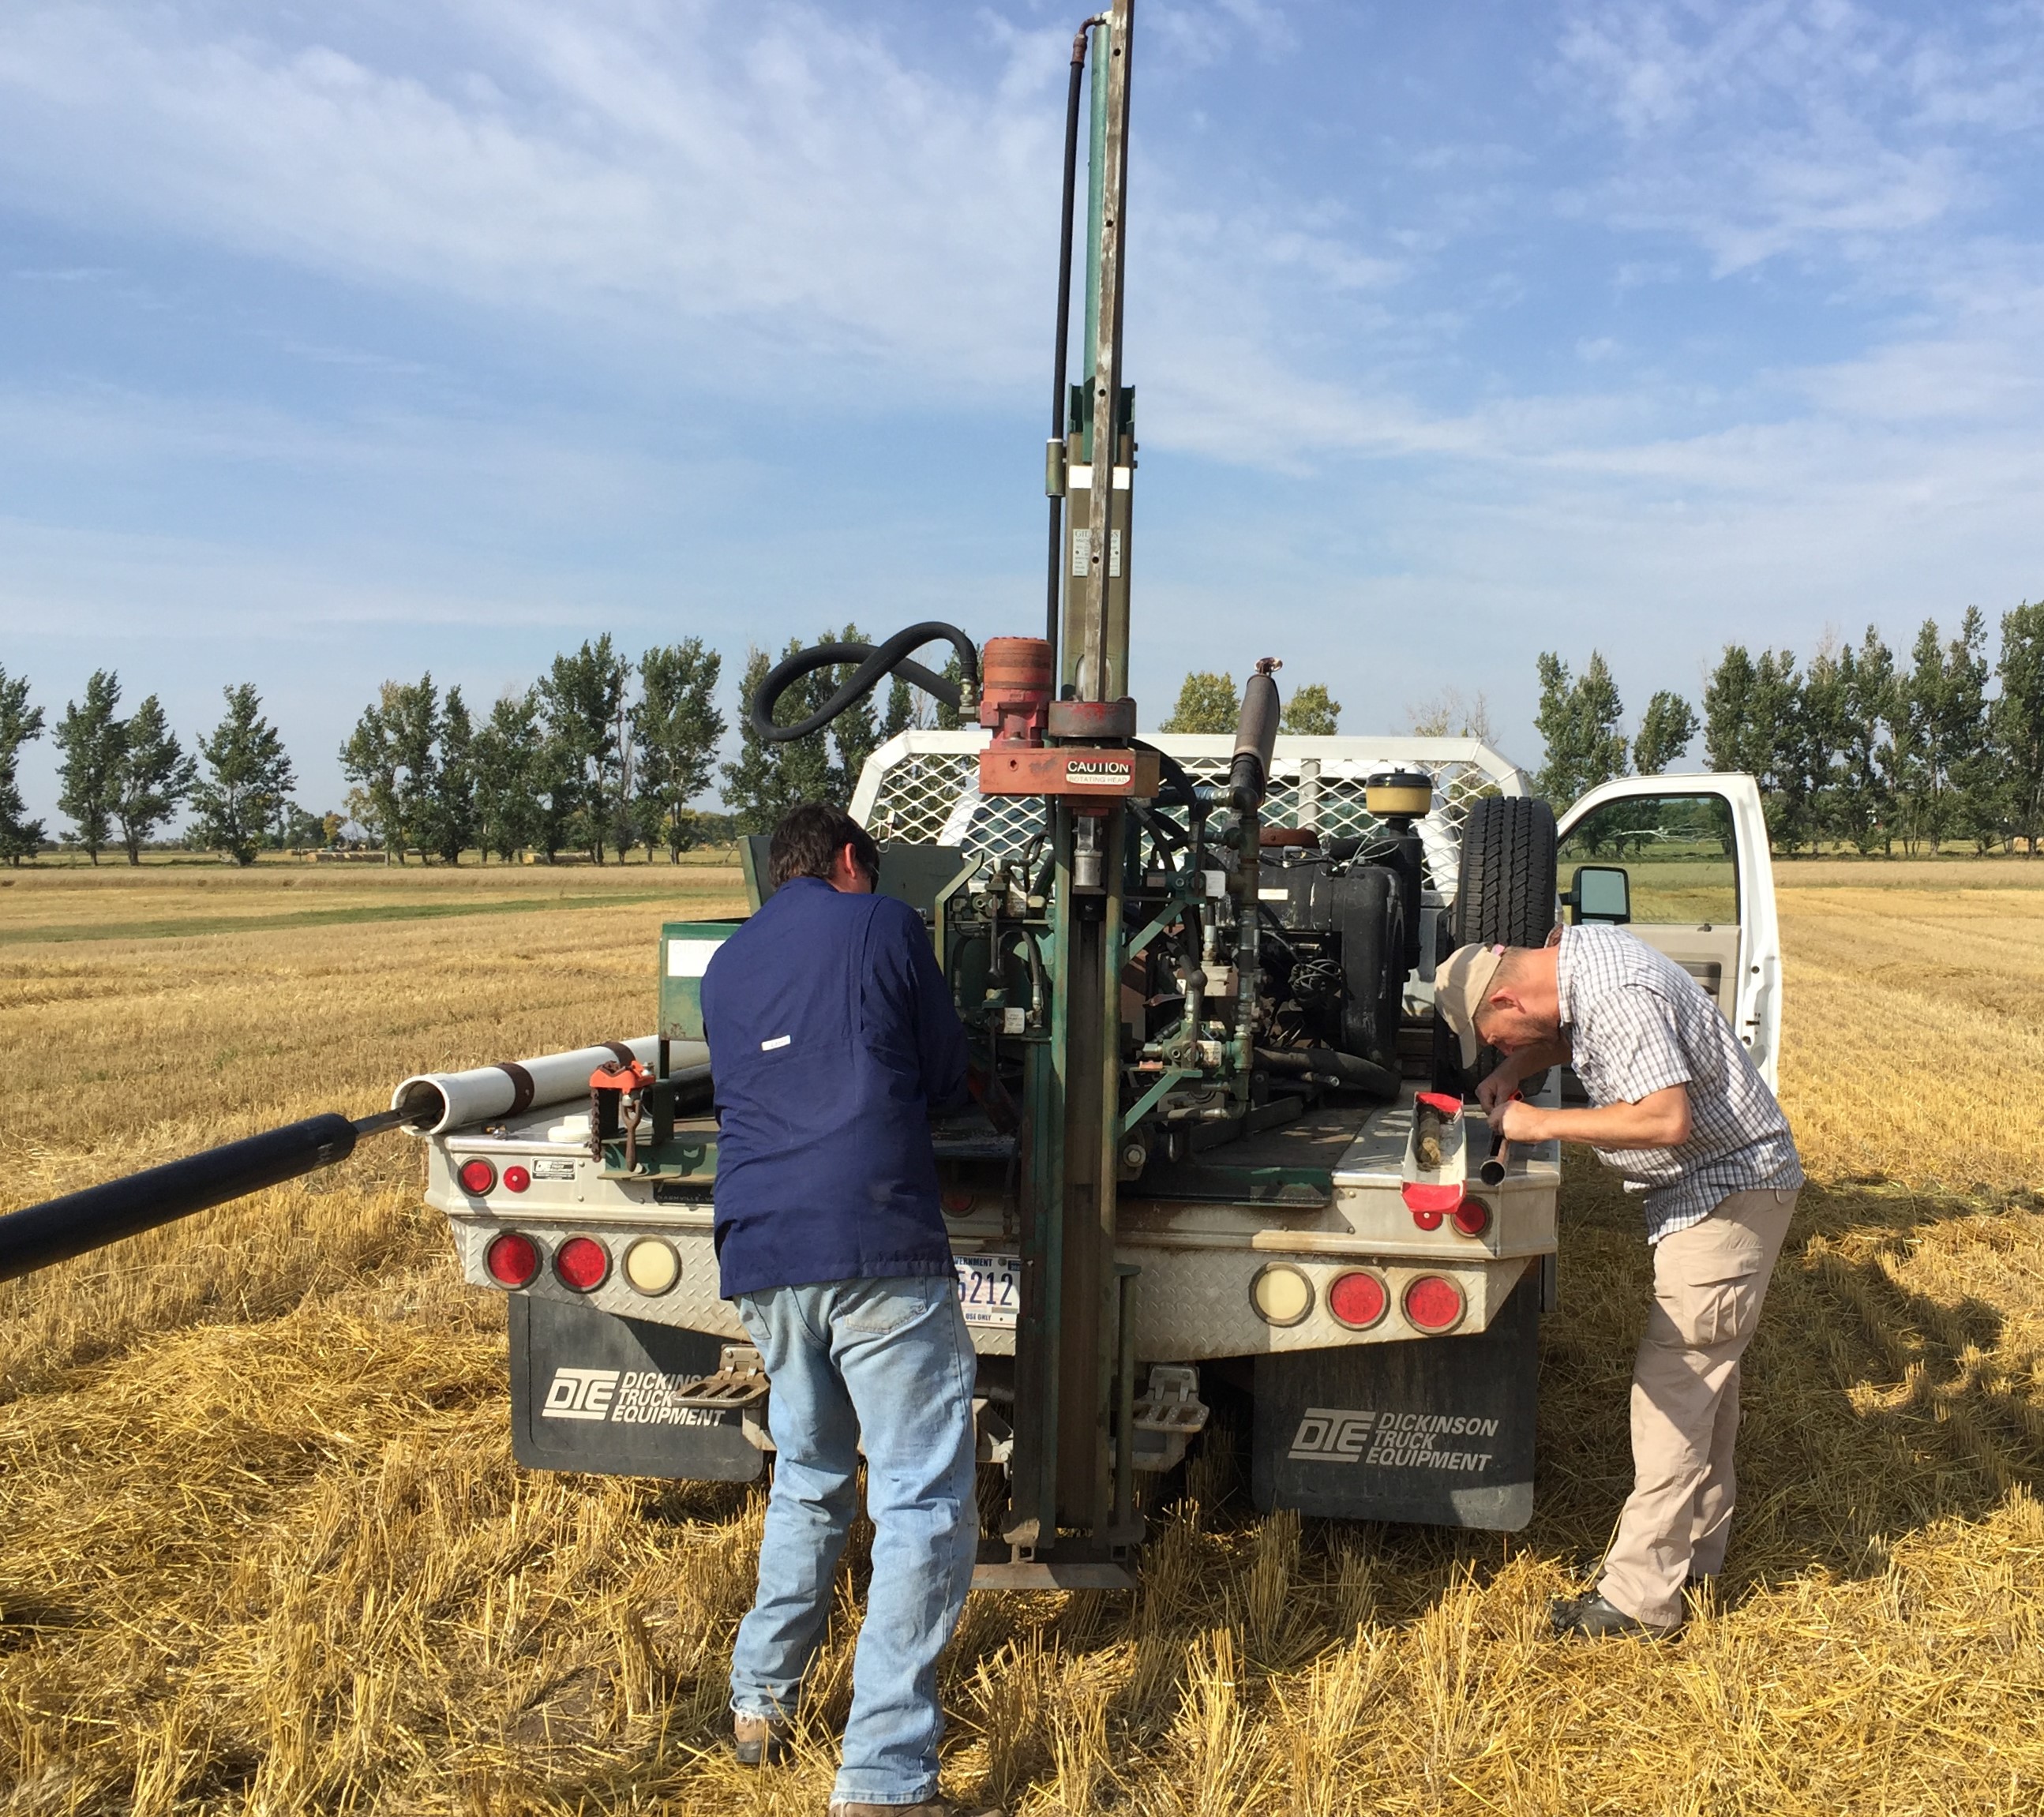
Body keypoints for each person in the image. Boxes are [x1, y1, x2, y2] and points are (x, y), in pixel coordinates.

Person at [701, 801, 992, 1817]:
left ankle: (759, 1701)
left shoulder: (726, 965)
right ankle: (885, 1776)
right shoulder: (884, 922)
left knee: (810, 1474)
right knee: (917, 1498)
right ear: (855, 862)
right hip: (873, 1239)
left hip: (762, 1249)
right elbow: (946, 1071)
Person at [1435, 924, 1804, 1640]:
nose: (1502, 1050)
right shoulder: (1582, 964)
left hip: (1725, 1193)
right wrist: (1521, 1069)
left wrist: (1539, 1120)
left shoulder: (1616, 992)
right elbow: (1579, 1035)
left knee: (1672, 1395)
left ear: (1509, 995)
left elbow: (1664, 1119)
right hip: (1719, 1190)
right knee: (1705, 1389)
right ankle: (1695, 1558)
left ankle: (1639, 1601)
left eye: (1498, 1039)